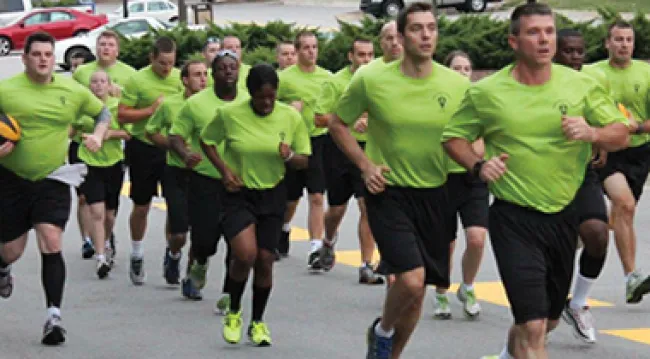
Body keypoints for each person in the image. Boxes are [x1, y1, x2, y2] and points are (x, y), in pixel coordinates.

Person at [441, 4, 630, 358]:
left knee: (546, 322)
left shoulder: (581, 85)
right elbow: (453, 138)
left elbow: (622, 133)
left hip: (563, 215)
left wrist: (592, 132)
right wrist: (478, 167)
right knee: (532, 326)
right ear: (514, 41)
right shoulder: (488, 92)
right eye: (533, 32)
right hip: (514, 218)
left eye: (549, 31)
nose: (544, 39)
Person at [330, 3, 469, 358]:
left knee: (418, 292)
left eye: (432, 28)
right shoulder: (371, 79)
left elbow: (475, 133)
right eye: (416, 29)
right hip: (387, 191)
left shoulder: (456, 84)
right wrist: (364, 164)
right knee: (410, 278)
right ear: (401, 37)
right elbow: (337, 123)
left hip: (435, 194)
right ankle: (382, 330)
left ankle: (390, 353)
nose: (425, 35)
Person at [0, 31, 109, 345]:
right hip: (11, 179)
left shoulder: (71, 90)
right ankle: (3, 266)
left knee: (51, 240)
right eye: (37, 54)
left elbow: (102, 111)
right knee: (11, 249)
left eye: (48, 54)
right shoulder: (7, 91)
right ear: (25, 58)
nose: (43, 60)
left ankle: (53, 317)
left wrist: (99, 136)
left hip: (53, 177)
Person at [200, 63, 310, 347]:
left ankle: (258, 322)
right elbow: (208, 141)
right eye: (261, 97)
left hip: (273, 193)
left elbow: (304, 160)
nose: (266, 103)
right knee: (246, 254)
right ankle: (234, 310)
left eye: (272, 97)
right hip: (239, 193)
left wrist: (289, 157)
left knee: (265, 260)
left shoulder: (290, 117)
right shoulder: (229, 115)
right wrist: (224, 172)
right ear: (250, 94)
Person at [168, 50, 246, 305]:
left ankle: (228, 293)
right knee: (205, 239)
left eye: (233, 67)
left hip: (239, 183)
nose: (228, 72)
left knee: (237, 244)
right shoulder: (196, 104)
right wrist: (185, 154)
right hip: (205, 181)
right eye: (222, 68)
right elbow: (175, 136)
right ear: (213, 74)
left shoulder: (247, 101)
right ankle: (199, 262)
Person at [584, 20, 650, 305]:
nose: (624, 44)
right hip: (606, 152)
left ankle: (576, 238)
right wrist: (598, 138)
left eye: (628, 39)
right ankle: (631, 276)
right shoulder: (592, 73)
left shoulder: (646, 73)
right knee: (625, 204)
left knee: (619, 216)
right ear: (607, 43)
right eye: (618, 39)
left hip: (638, 151)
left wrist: (635, 129)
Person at [553, 28, 613, 344]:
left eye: (580, 51)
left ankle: (578, 302)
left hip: (581, 173)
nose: (576, 58)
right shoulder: (535, 82)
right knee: (543, 321)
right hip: (541, 178)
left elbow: (611, 125)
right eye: (568, 51)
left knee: (598, 233)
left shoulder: (589, 85)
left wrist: (598, 137)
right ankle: (548, 311)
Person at [314, 37, 383, 284]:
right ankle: (328, 240)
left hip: (368, 150)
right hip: (339, 149)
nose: (366, 60)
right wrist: (350, 120)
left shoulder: (377, 80)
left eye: (369, 55)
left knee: (367, 205)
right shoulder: (335, 82)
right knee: (337, 209)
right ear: (350, 57)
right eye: (361, 55)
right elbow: (319, 118)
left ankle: (366, 264)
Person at [118, 37, 183, 285]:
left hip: (171, 148)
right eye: (162, 64)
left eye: (171, 63)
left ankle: (172, 254)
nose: (166, 69)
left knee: (174, 205)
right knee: (142, 205)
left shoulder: (180, 79)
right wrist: (150, 110)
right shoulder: (138, 79)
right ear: (151, 59)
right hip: (143, 147)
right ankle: (137, 252)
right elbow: (122, 115)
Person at [432, 49, 487, 320]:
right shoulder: (439, 99)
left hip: (474, 176)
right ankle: (441, 291)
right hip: (443, 177)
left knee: (477, 239)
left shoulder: (479, 99)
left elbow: (487, 134)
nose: (462, 74)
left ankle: (467, 286)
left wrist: (475, 154)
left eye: (466, 69)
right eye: (456, 68)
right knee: (446, 242)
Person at [72, 29, 136, 259]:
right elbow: (73, 100)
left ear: (117, 50)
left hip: (113, 145)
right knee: (83, 197)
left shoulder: (128, 74)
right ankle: (88, 240)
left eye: (110, 45)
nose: (105, 48)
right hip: (84, 137)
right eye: (102, 44)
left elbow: (131, 109)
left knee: (108, 206)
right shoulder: (82, 73)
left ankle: (105, 236)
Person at [145, 60, 208, 285]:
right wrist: (171, 145)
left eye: (204, 74)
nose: (202, 79)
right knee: (180, 232)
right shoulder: (170, 105)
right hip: (176, 172)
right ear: (184, 80)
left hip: (205, 174)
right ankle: (173, 254)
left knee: (202, 233)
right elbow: (150, 131)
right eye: (196, 75)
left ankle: (191, 277)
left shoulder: (213, 104)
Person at [277, 31, 332, 269]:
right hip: (296, 142)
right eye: (306, 47)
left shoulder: (327, 77)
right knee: (291, 198)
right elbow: (269, 108)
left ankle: (315, 248)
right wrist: (288, 109)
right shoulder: (285, 78)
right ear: (297, 51)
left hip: (319, 141)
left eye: (315, 47)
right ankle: (284, 227)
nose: (311, 51)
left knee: (317, 196)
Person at [75, 70, 130, 279]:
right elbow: (71, 130)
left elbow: (129, 133)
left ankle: (107, 241)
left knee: (109, 214)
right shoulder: (83, 109)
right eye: (94, 82)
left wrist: (108, 134)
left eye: (102, 82)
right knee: (96, 212)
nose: (98, 85)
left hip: (114, 162)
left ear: (109, 85)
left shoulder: (117, 107)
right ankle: (100, 259)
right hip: (89, 163)